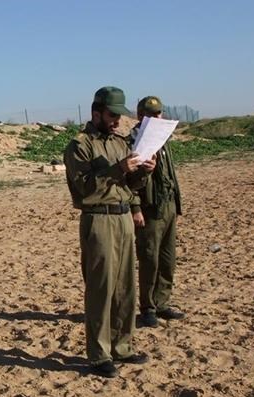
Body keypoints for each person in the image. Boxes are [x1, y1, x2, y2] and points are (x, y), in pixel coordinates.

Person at [64, 86, 156, 378]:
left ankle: (122, 347)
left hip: (123, 218)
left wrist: (144, 171)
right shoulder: (80, 146)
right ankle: (99, 355)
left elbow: (130, 186)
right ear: (96, 113)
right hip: (98, 220)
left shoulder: (119, 142)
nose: (117, 121)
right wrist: (118, 169)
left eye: (119, 116)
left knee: (125, 287)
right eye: (112, 115)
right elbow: (84, 187)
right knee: (101, 289)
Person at [129, 96, 185, 327]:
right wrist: (135, 208)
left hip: (168, 206)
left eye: (158, 113)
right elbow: (129, 181)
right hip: (149, 209)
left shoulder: (163, 139)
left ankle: (162, 302)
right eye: (150, 114)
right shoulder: (134, 141)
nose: (155, 118)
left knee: (167, 260)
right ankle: (148, 308)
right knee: (149, 260)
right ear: (140, 116)